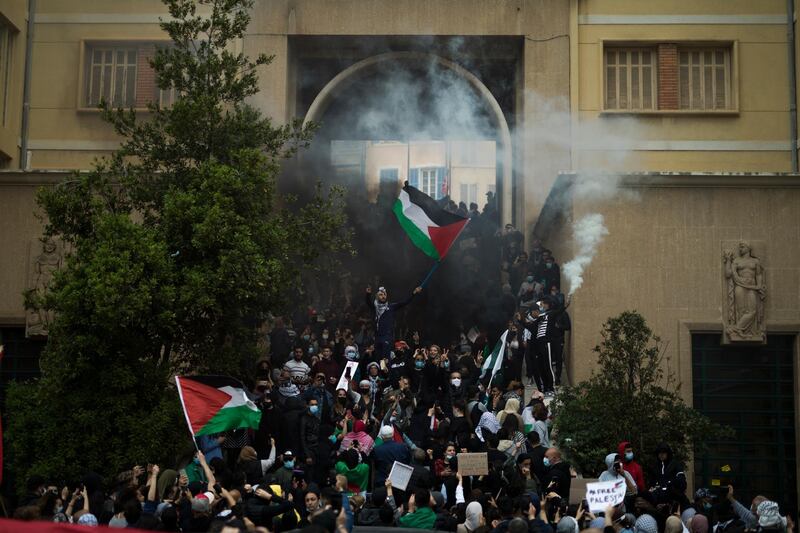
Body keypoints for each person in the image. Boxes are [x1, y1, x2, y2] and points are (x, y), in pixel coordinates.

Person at [366, 284, 423, 359]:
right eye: (380, 295)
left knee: (385, 359)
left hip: (387, 336)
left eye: (384, 294)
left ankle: (386, 369)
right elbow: (368, 302)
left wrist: (414, 293)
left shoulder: (391, 307)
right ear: (377, 297)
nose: (383, 296)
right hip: (377, 337)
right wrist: (368, 294)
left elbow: (404, 302)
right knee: (377, 358)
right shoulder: (375, 307)